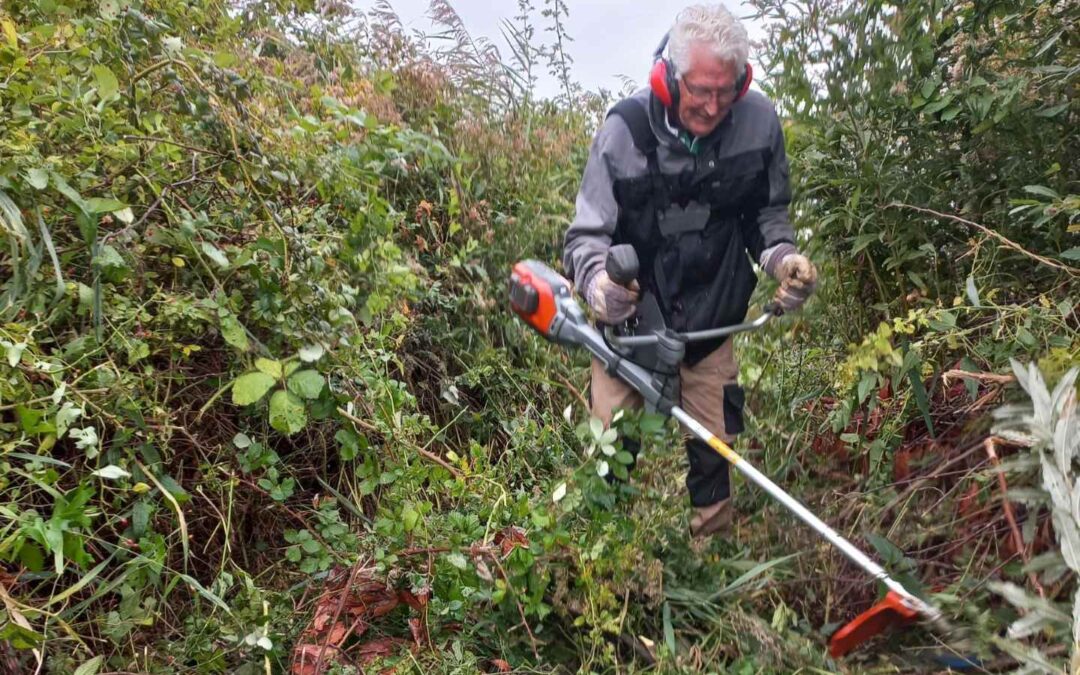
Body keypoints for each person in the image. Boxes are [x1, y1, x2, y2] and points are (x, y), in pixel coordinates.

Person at [562, 4, 818, 539]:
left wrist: (783, 260)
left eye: (726, 91)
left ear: (741, 80)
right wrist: (599, 286)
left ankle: (712, 564)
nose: (712, 105)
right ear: (671, 75)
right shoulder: (624, 133)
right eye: (700, 90)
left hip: (710, 323)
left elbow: (765, 216)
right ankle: (605, 565)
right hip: (628, 331)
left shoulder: (757, 124)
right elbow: (585, 238)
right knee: (612, 457)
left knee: (714, 453)